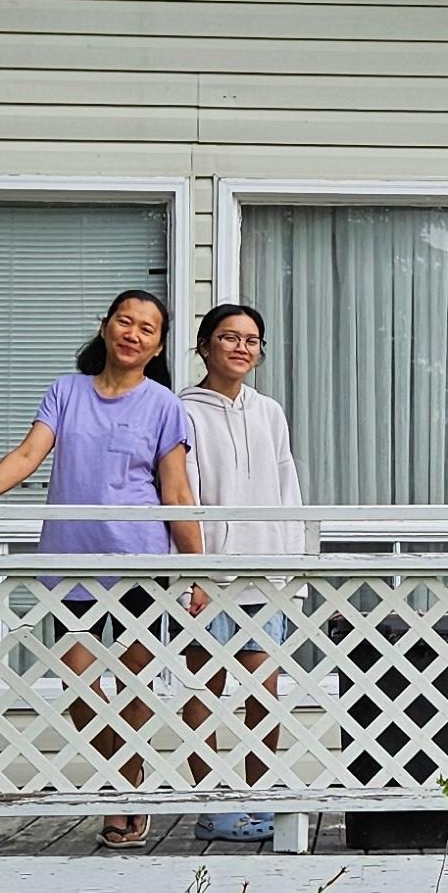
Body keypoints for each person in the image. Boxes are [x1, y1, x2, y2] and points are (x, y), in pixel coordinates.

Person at [0, 289, 202, 850]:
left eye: (147, 329)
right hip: (69, 561)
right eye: (125, 322)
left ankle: (123, 794)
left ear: (157, 347)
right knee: (78, 684)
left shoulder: (163, 405)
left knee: (132, 683)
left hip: (137, 563)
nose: (133, 334)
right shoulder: (67, 391)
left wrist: (195, 569)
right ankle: (124, 778)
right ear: (105, 328)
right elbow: (29, 455)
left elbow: (176, 491)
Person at [178, 304, 308, 844]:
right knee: (205, 689)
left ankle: (260, 799)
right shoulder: (181, 410)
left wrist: (291, 565)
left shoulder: (269, 411)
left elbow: (286, 485)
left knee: (265, 690)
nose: (241, 348)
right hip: (209, 579)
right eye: (229, 337)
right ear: (205, 345)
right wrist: (195, 574)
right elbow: (181, 493)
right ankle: (212, 803)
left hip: (264, 575)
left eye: (252, 340)